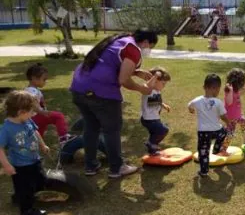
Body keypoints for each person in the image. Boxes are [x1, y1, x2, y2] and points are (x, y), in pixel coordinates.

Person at [70, 29, 158, 178]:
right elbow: (123, 80)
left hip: (79, 88)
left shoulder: (118, 40)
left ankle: (90, 165)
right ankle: (117, 168)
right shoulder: (133, 49)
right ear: (145, 42)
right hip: (101, 93)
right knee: (111, 130)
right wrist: (141, 88)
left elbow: (109, 63)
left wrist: (136, 72)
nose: (148, 50)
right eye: (150, 47)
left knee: (91, 127)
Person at [0, 91, 50, 215]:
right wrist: (6, 165)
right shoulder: (6, 129)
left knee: (40, 180)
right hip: (20, 166)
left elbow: (35, 133)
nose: (33, 114)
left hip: (34, 160)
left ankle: (18, 196)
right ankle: (27, 211)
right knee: (25, 188)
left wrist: (42, 145)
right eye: (31, 111)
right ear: (20, 112)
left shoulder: (27, 121)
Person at [188, 74, 230, 177]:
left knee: (203, 152)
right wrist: (228, 122)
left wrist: (191, 110)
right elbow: (223, 116)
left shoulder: (197, 100)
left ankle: (204, 171)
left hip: (203, 133)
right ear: (217, 89)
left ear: (204, 87)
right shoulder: (218, 102)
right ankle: (216, 148)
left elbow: (189, 105)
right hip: (217, 131)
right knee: (224, 132)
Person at [25, 63, 77, 146]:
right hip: (36, 116)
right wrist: (42, 112)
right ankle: (64, 138)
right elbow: (33, 104)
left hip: (34, 118)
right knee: (58, 116)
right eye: (44, 79)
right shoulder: (31, 91)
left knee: (37, 138)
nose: (45, 82)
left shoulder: (33, 90)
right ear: (34, 78)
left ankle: (33, 152)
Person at [220, 68, 245, 152]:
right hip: (231, 117)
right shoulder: (229, 90)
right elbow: (229, 102)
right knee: (230, 133)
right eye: (243, 81)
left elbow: (238, 95)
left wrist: (244, 90)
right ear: (238, 82)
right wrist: (230, 91)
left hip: (237, 115)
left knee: (243, 121)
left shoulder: (235, 90)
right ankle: (223, 149)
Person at [141, 67, 172, 155]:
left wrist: (163, 105)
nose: (164, 86)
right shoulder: (148, 90)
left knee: (155, 133)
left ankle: (152, 149)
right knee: (163, 130)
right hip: (149, 120)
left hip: (153, 118)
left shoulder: (156, 91)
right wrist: (155, 76)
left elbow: (157, 101)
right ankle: (151, 143)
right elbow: (148, 85)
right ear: (154, 81)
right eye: (163, 83)